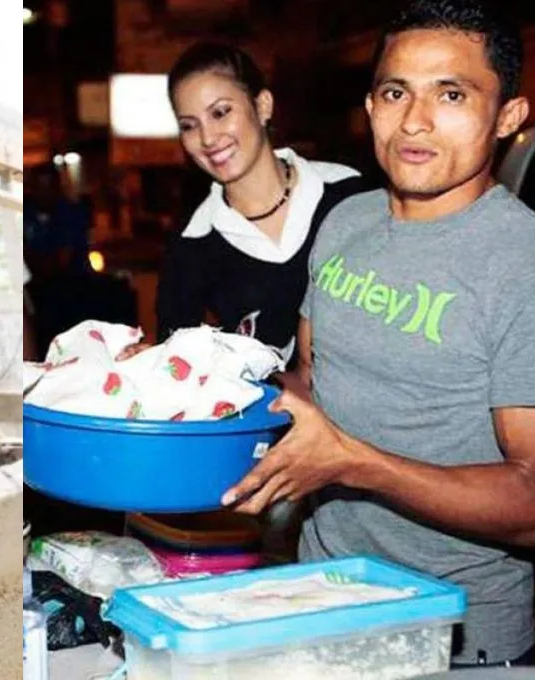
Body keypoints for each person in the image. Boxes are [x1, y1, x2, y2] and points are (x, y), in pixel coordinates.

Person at [224, 0, 535, 667]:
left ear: (508, 117)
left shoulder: (520, 262)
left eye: (451, 94)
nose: (415, 120)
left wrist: (356, 463)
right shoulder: (347, 223)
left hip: (454, 638)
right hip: (318, 602)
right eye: (396, 92)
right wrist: (187, 373)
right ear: (369, 107)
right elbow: (312, 385)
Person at [153, 42, 368, 365]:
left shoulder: (349, 196)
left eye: (220, 112)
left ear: (263, 106)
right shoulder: (191, 246)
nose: (208, 138)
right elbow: (180, 372)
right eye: (189, 125)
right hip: (265, 415)